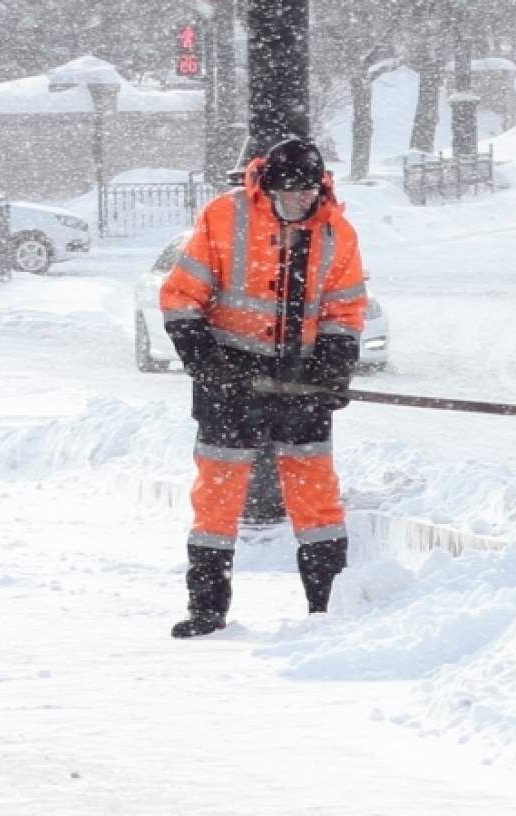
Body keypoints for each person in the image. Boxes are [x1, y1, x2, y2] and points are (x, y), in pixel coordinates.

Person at [160, 138, 367, 638]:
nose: (300, 201)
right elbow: (181, 298)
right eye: (290, 192)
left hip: (300, 383)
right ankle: (207, 610)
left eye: (308, 192)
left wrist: (333, 370)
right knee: (218, 497)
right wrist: (209, 363)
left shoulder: (337, 233)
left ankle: (327, 609)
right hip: (228, 382)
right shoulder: (224, 218)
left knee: (316, 496)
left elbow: (344, 311)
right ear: (267, 188)